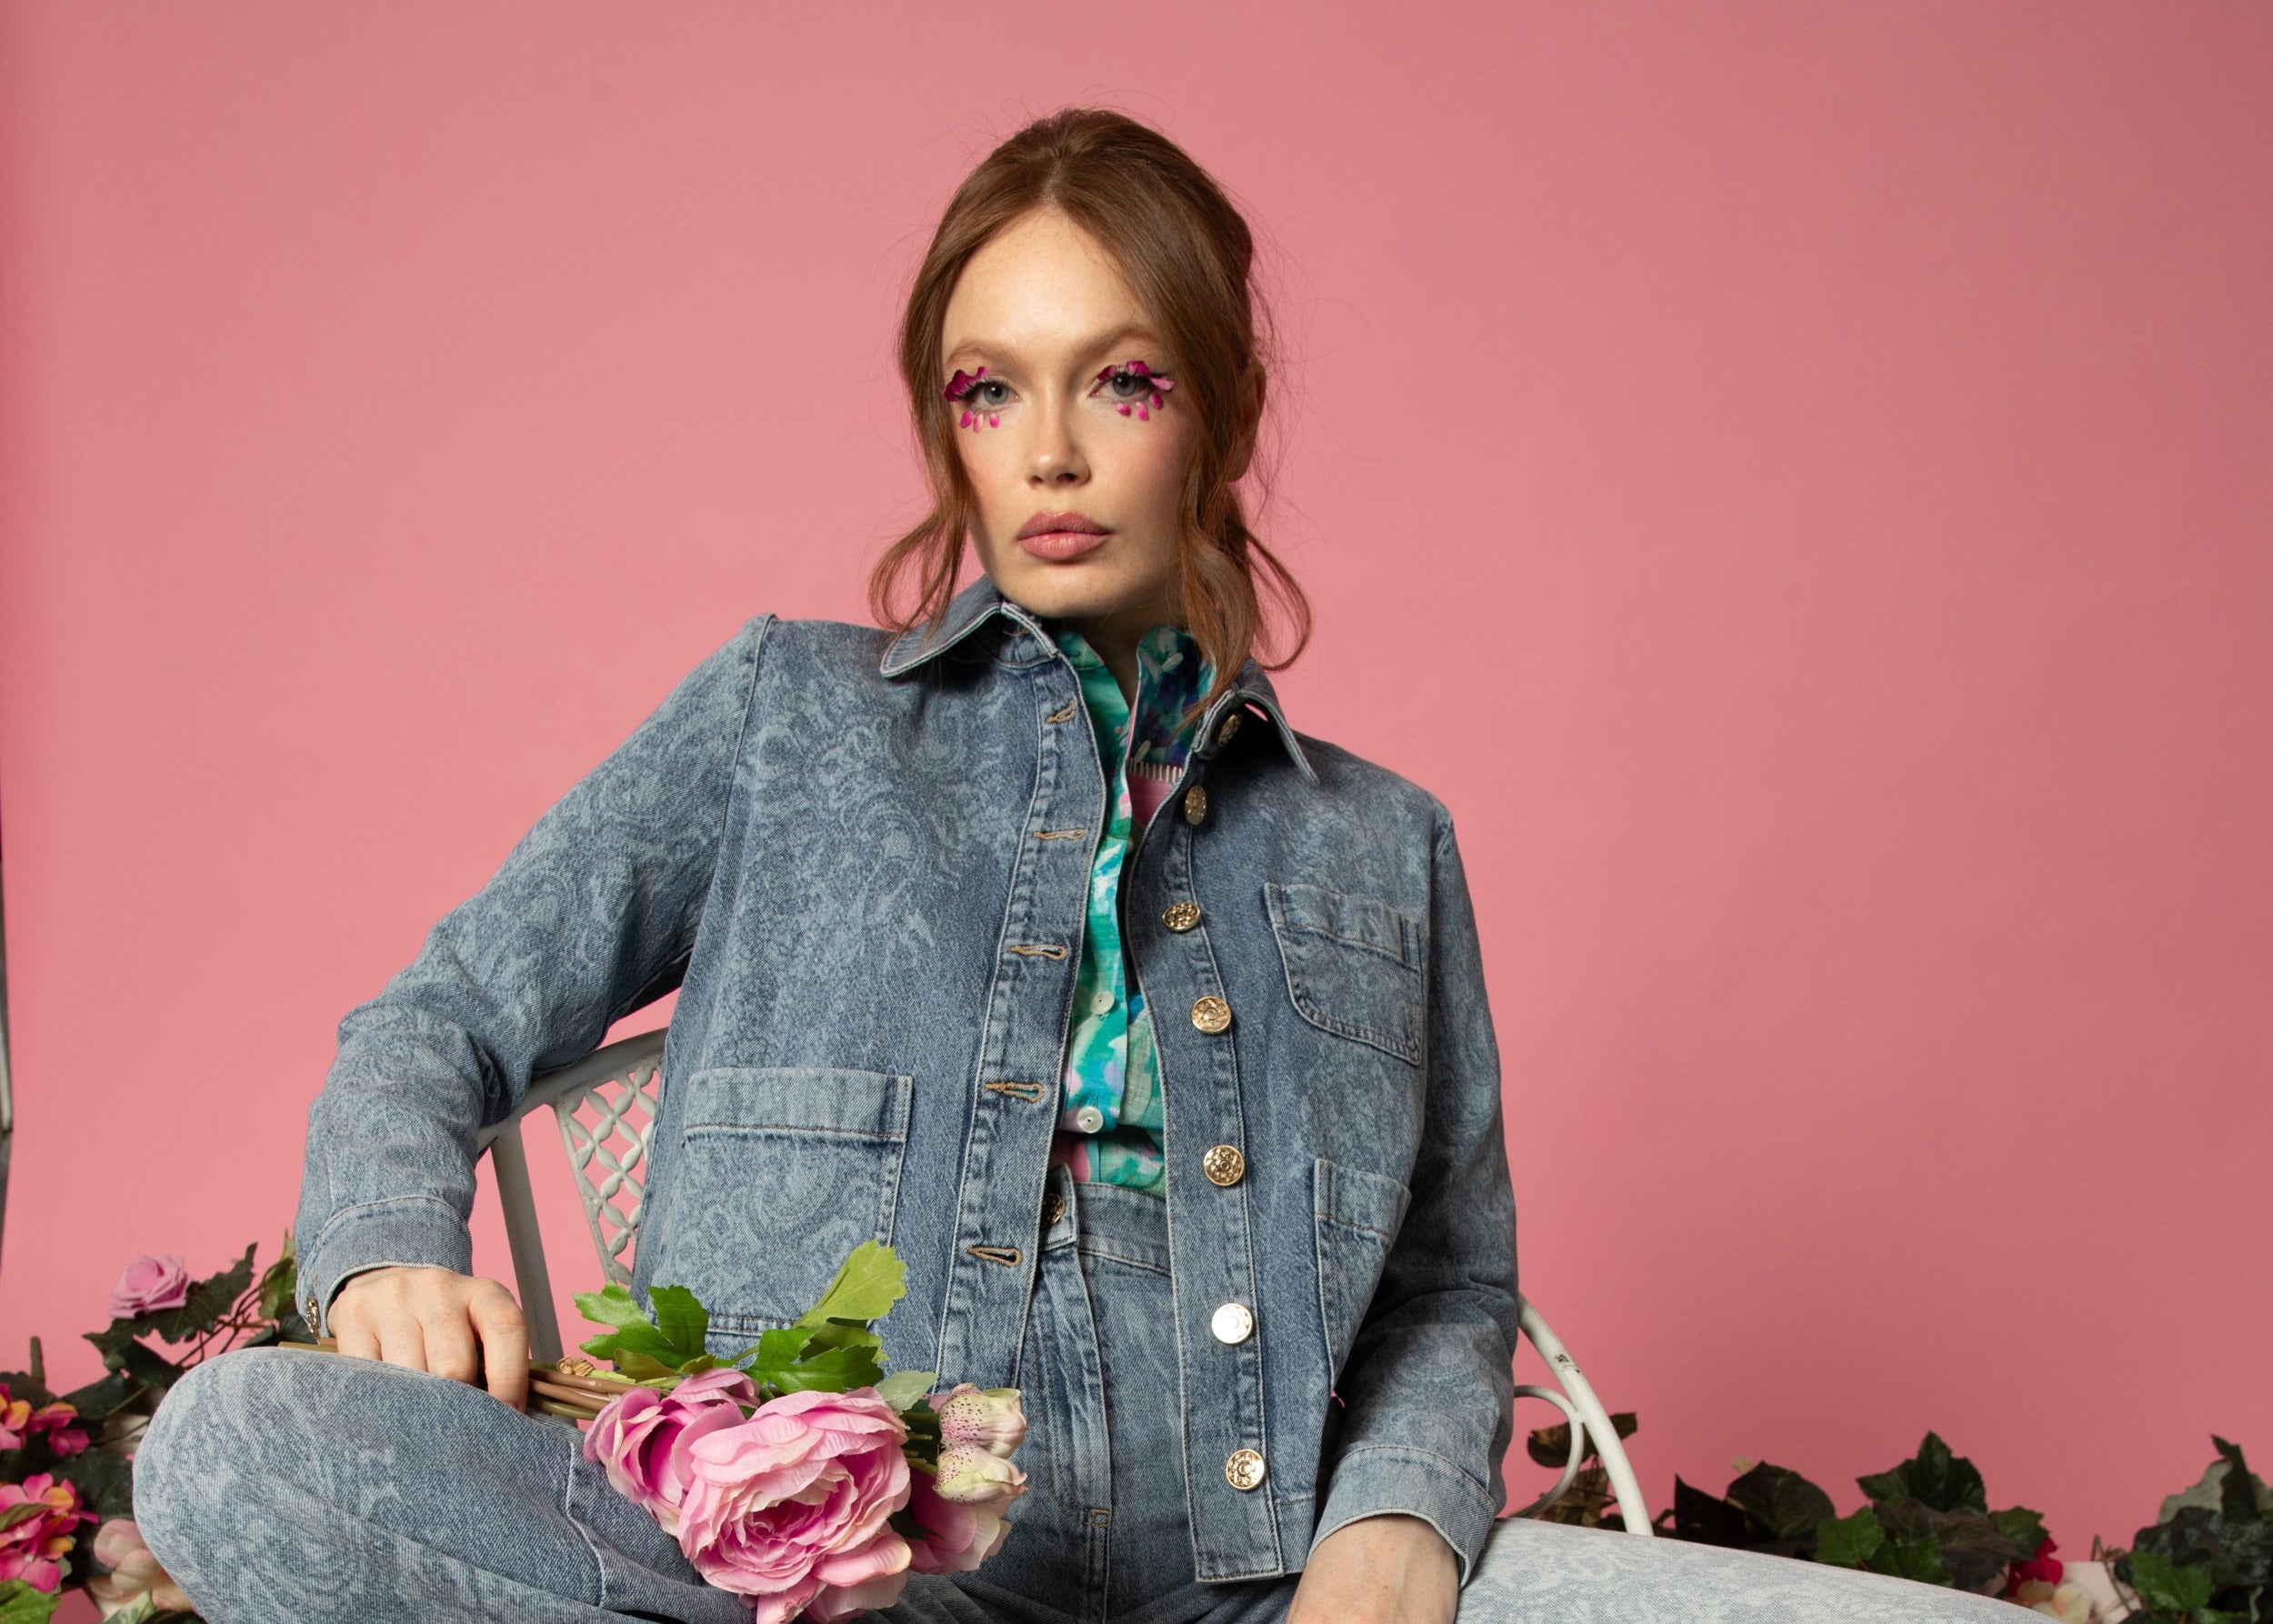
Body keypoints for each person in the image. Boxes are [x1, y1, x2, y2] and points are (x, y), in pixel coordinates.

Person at [133, 108, 2018, 1624]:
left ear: (1219, 410)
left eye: (1116, 382)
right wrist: (387, 1247)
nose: (1044, 452)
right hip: (829, 1585)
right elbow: (441, 1016)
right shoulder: (790, 717)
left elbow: (1449, 1284)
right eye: (986, 390)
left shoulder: (1382, 842)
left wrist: (1393, 1531)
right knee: (236, 1446)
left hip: (1258, 1574)